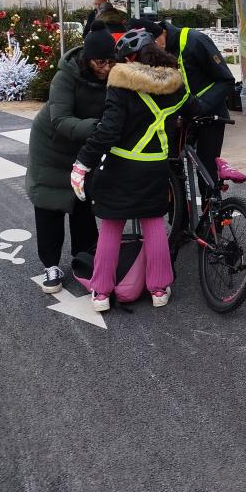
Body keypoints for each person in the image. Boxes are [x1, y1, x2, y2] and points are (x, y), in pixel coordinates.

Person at [70, 28, 199, 311]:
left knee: (111, 226)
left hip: (121, 164)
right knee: (154, 223)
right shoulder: (174, 85)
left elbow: (108, 132)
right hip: (155, 166)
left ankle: (101, 292)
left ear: (129, 58)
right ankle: (159, 288)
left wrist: (83, 162)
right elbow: (193, 108)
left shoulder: (120, 83)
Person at [26, 20, 116, 293]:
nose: (106, 68)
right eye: (100, 62)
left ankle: (86, 257)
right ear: (88, 59)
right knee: (50, 202)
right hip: (51, 145)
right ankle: (51, 264)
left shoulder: (115, 73)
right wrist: (100, 128)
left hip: (84, 145)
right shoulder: (65, 77)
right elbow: (60, 119)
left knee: (82, 201)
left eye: (110, 62)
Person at [153, 19, 236, 195]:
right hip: (182, 119)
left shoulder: (194, 40)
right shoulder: (158, 52)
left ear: (162, 32)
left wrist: (202, 105)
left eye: (154, 42)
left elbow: (226, 80)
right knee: (173, 170)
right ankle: (179, 219)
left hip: (209, 115)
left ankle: (212, 218)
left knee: (206, 171)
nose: (154, 47)